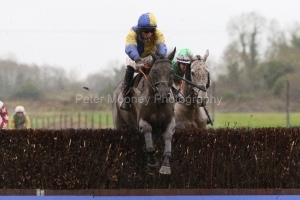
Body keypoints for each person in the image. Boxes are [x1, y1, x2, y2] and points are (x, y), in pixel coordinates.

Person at [120, 12, 168, 110]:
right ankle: (126, 96)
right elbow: (130, 47)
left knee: (163, 66)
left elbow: (162, 47)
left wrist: (160, 56)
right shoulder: (132, 32)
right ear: (140, 30)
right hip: (135, 57)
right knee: (130, 65)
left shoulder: (158, 33)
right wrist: (137, 59)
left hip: (151, 57)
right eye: (146, 31)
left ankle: (173, 92)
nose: (148, 34)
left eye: (151, 31)